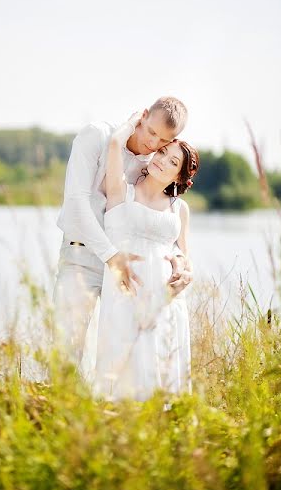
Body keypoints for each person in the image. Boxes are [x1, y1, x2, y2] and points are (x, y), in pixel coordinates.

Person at [53, 97, 193, 366]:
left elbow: (158, 218)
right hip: (82, 257)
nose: (153, 144)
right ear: (142, 116)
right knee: (67, 352)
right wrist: (110, 256)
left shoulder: (155, 163)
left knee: (127, 357)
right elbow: (76, 202)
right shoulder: (97, 135)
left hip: (129, 271)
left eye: (163, 142)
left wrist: (179, 258)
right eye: (151, 132)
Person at [92, 114, 199, 401]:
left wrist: (184, 269)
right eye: (162, 151)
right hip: (127, 296)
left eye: (173, 162)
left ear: (179, 176)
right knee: (124, 377)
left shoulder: (179, 210)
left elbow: (185, 258)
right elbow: (115, 142)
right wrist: (135, 120)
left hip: (166, 303)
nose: (162, 160)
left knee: (163, 380)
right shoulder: (121, 191)